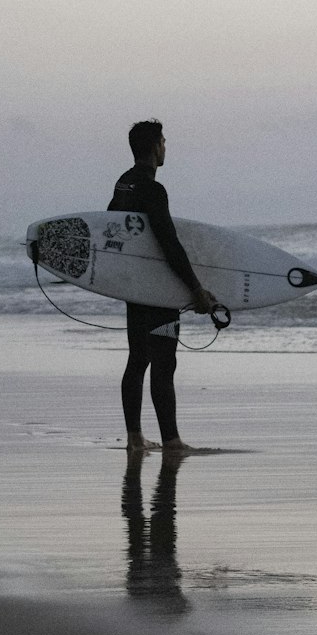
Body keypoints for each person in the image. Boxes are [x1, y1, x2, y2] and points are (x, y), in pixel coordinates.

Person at [108, 120, 217, 453]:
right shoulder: (154, 190)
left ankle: (134, 438)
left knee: (138, 358)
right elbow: (168, 243)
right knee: (164, 362)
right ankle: (171, 440)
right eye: (164, 142)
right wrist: (195, 288)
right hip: (157, 290)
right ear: (155, 147)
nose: (166, 147)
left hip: (135, 288)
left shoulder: (124, 184)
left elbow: (113, 228)